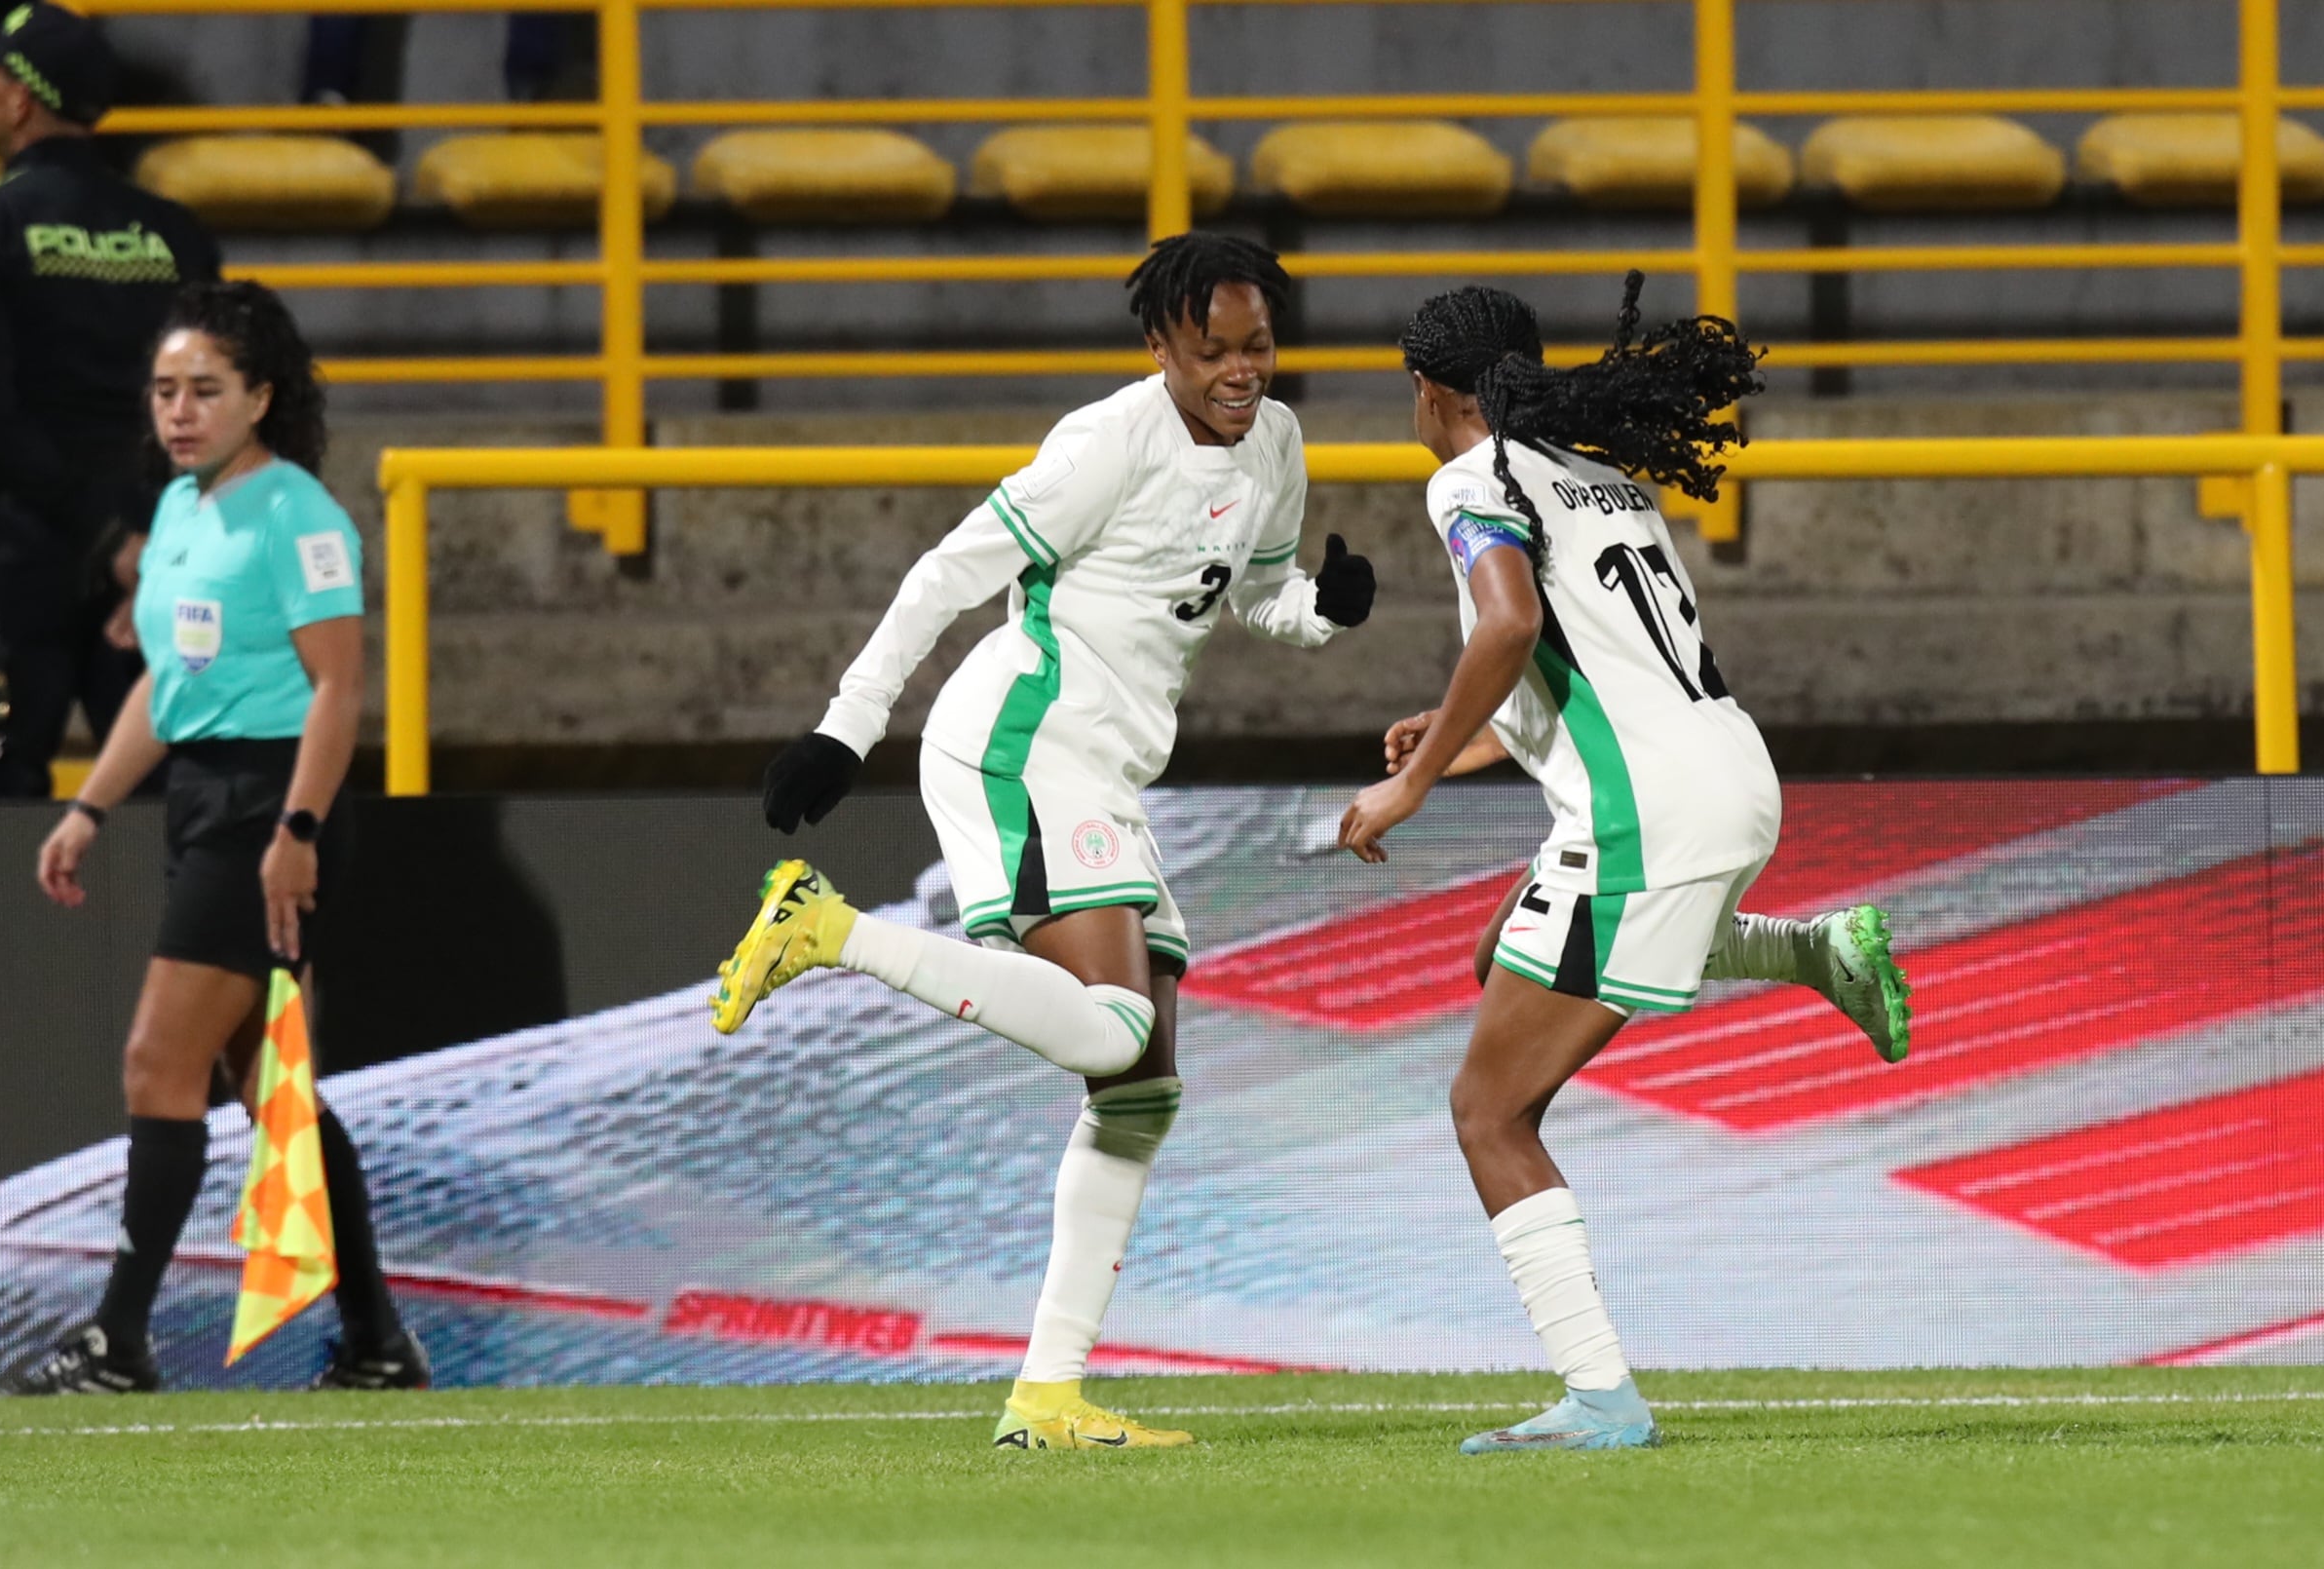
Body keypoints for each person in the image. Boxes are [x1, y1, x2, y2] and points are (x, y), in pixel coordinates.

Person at [714, 233, 1378, 1451]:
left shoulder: (1277, 442)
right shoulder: (1104, 443)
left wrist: (1321, 614)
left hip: (1104, 769)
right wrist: (843, 730)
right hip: (1018, 738)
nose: (1240, 370)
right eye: (1210, 348)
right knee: (1120, 1029)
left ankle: (1047, 1395)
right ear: (1159, 345)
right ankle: (831, 926)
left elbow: (1252, 594)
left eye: (1258, 345)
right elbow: (944, 572)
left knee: (1137, 1092)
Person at [1335, 278, 1912, 1452]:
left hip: (1649, 812)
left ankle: (1600, 1399)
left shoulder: (1471, 479)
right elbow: (1603, 661)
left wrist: (1413, 777)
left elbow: (1503, 626)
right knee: (1505, 947)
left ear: (1427, 389)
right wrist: (1478, 740)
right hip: (1730, 774)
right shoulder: (1598, 473)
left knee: (1487, 1108)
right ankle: (1814, 949)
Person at [13, 281, 425, 1395]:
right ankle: (378, 1338)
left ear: (260, 398)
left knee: (160, 1059)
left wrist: (297, 827)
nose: (179, 410)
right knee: (268, 1087)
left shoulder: (299, 515)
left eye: (204, 389)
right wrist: (89, 806)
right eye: (164, 390)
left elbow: (339, 687)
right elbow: (166, 677)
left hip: (267, 800)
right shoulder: (185, 513)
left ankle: (119, 1336)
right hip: (204, 798)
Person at [0, 1, 219, 797]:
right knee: (166, 808)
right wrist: (147, 548)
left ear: (21, 98)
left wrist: (104, 540)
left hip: (19, 549)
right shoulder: (181, 233)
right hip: (154, 555)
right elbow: (216, 411)